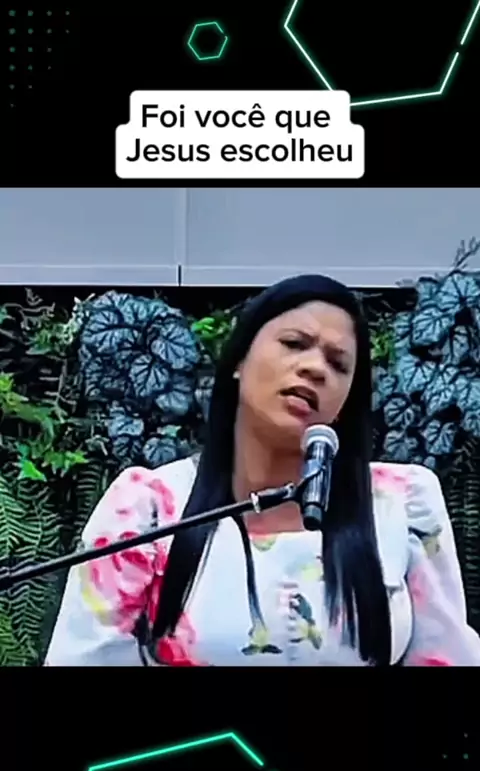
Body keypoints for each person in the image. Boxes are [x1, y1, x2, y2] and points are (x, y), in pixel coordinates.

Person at [45, 275, 480, 666]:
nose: (315, 368)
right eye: (294, 343)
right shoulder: (148, 509)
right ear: (239, 359)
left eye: (338, 364)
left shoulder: (403, 503)